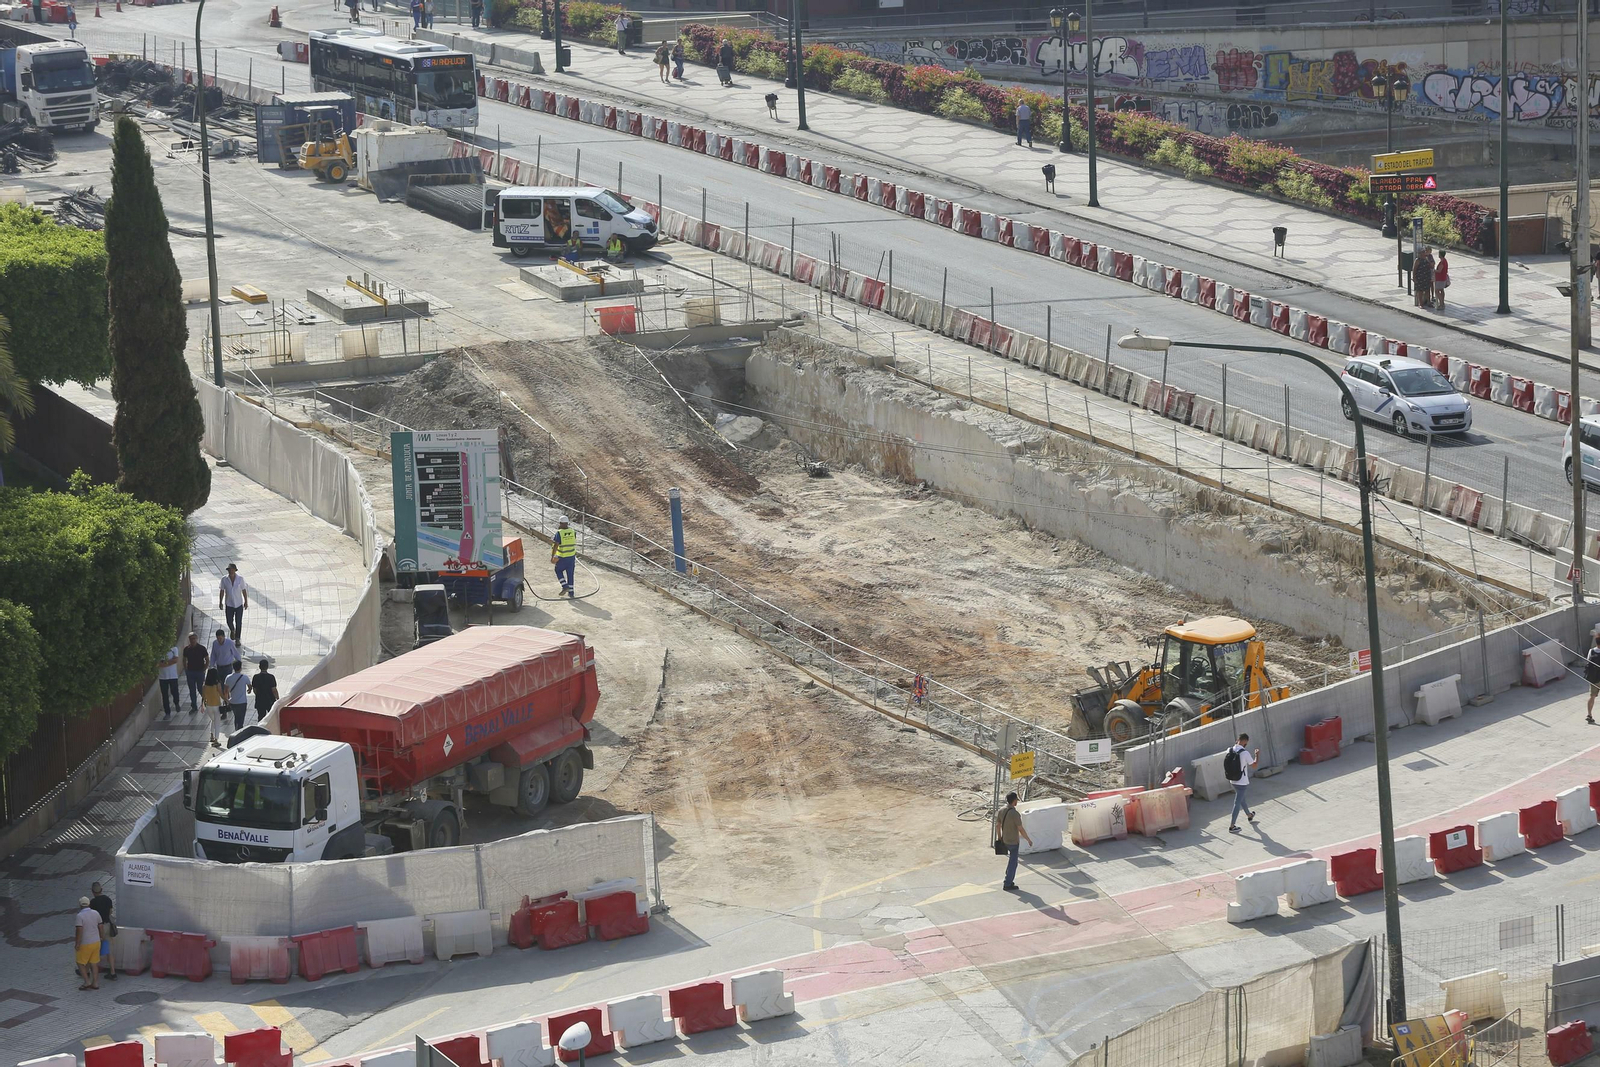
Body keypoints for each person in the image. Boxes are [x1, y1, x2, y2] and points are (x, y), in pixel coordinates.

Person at [995, 791, 1032, 891]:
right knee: (1013, 863)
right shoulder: (1015, 814)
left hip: (1005, 840)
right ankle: (1008, 883)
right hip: (1013, 842)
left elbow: (997, 825)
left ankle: (1008, 879)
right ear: (1014, 801)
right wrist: (1028, 839)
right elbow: (1020, 829)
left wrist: (1000, 838)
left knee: (1011, 862)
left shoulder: (1001, 810)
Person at [1224, 732, 1260, 834]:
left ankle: (1249, 815)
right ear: (1245, 742)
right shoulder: (1245, 753)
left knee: (1242, 799)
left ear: (1237, 740)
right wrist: (1257, 755)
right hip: (1242, 782)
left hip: (1232, 780)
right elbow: (1254, 765)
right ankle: (1232, 826)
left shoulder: (1229, 750)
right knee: (1237, 803)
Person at [89, 883, 116, 982]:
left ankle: (88, 970)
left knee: (93, 949)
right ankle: (113, 972)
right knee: (109, 950)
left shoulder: (93, 902)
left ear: (92, 891)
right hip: (108, 926)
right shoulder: (108, 899)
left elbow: (92, 916)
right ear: (102, 889)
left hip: (98, 928)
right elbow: (110, 912)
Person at [75, 895, 100, 989]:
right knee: (94, 963)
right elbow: (100, 926)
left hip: (85, 943)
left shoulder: (79, 916)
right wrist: (101, 937)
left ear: (80, 905)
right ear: (89, 904)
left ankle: (87, 981)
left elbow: (79, 930)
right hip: (96, 941)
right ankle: (96, 983)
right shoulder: (96, 913)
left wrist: (77, 943)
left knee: (80, 962)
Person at [219, 563, 248, 644]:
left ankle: (237, 638)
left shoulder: (240, 579)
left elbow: (244, 590)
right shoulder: (224, 579)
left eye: (232, 569)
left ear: (235, 570)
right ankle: (232, 629)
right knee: (229, 621)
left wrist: (246, 601)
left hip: (238, 604)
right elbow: (222, 590)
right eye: (229, 570)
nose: (231, 571)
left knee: (238, 622)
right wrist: (220, 602)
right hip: (229, 603)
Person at [181, 631, 208, 715]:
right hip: (191, 672)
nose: (192, 640)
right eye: (191, 639)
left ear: (196, 639)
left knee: (201, 689)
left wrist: (204, 669)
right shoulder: (186, 649)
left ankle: (206, 703)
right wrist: (186, 669)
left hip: (200, 672)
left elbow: (207, 659)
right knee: (192, 690)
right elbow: (184, 659)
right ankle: (194, 706)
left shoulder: (202, 648)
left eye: (194, 639)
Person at [551, 515, 577, 598]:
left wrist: (552, 556)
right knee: (570, 574)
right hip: (571, 557)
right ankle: (571, 593)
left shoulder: (559, 533)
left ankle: (564, 586)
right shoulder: (573, 531)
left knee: (558, 570)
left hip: (562, 557)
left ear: (561, 523)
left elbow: (556, 545)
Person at [201, 667, 226, 746]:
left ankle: (211, 735)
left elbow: (204, 696)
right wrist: (227, 700)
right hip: (217, 706)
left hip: (209, 706)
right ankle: (216, 739)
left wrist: (202, 704)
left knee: (213, 720)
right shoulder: (217, 684)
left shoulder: (204, 685)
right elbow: (221, 694)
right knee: (217, 723)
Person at [157, 642, 181, 720]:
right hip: (162, 677)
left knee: (175, 692)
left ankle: (176, 703)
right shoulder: (158, 651)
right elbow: (157, 664)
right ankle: (167, 712)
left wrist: (163, 663)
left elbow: (175, 660)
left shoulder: (174, 649)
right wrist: (169, 662)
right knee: (164, 695)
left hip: (173, 676)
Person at [251, 658, 279, 723]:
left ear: (259, 667)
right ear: (267, 667)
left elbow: (254, 690)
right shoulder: (271, 677)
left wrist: (258, 695)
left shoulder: (256, 677)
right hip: (270, 700)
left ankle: (261, 729)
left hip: (260, 700)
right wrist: (277, 698)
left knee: (261, 717)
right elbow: (274, 690)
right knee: (271, 716)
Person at [1585, 632, 1600, 725]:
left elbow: (1587, 663)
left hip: (1593, 678)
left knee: (1592, 696)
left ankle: (1589, 715)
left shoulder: (1591, 651)